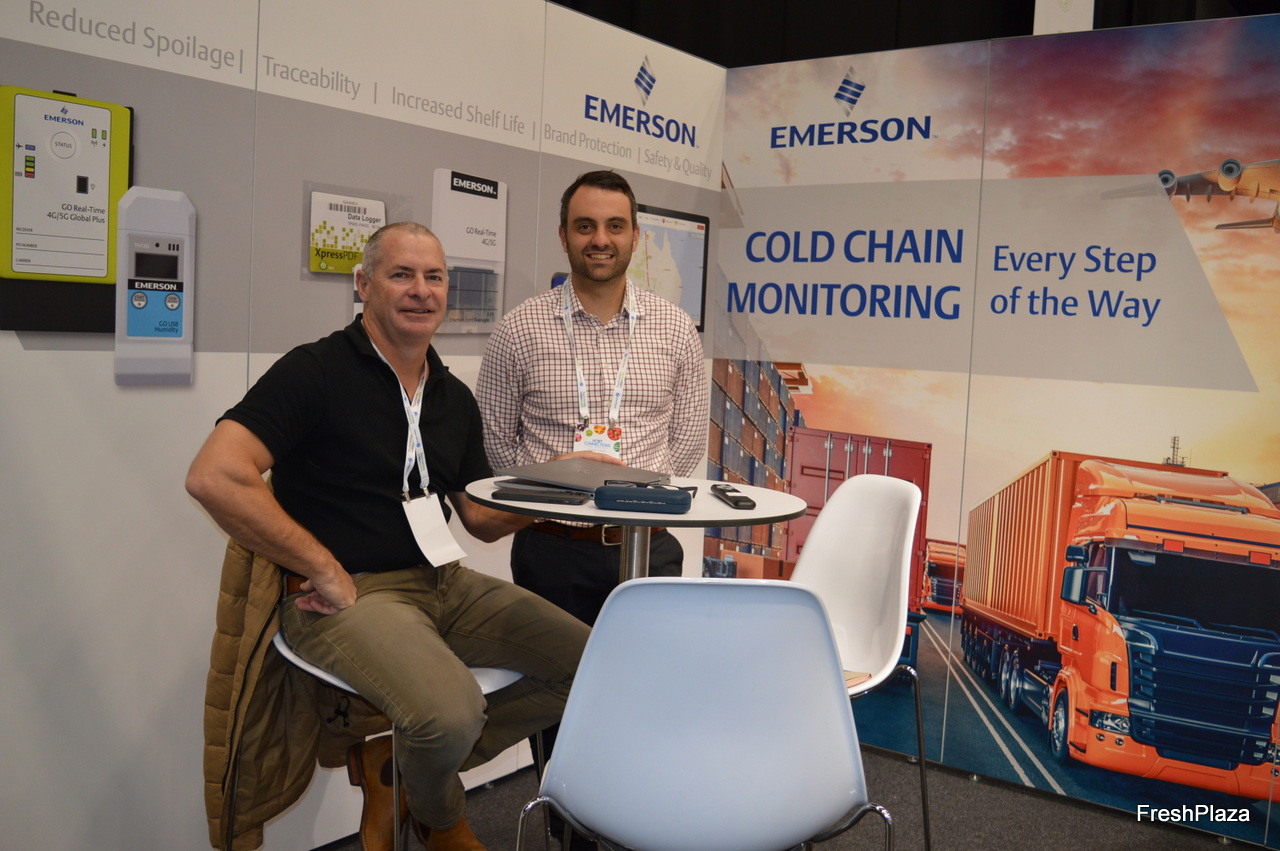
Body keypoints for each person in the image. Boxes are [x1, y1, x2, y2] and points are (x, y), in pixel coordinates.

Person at [187, 222, 589, 851]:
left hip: (443, 582)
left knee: (593, 664)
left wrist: (559, 481)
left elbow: (480, 518)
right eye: (402, 274)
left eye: (434, 277)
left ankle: (400, 768)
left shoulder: (451, 396)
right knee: (449, 714)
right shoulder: (315, 371)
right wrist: (321, 566)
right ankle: (440, 815)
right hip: (348, 595)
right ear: (364, 284)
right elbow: (215, 474)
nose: (421, 291)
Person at [477, 170, 709, 624]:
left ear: (635, 236)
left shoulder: (676, 328)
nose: (600, 239)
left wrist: (638, 500)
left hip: (649, 548)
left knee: (646, 668)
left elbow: (686, 443)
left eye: (614, 226)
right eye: (585, 226)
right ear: (563, 235)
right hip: (551, 551)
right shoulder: (518, 329)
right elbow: (497, 446)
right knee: (553, 670)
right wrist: (554, 487)